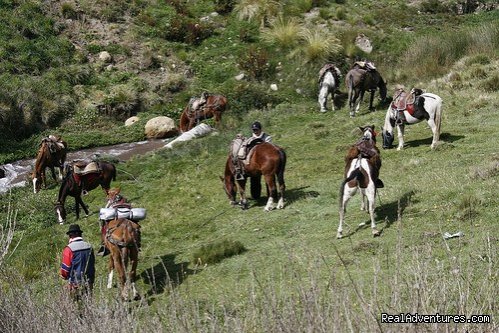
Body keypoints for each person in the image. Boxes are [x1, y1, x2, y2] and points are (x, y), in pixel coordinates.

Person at [60, 224, 95, 300]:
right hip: (89, 280)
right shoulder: (89, 246)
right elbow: (93, 263)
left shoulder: (69, 249)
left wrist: (64, 276)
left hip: (75, 283)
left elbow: (65, 270)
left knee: (75, 303)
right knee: (88, 302)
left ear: (70, 236)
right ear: (80, 234)